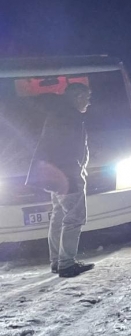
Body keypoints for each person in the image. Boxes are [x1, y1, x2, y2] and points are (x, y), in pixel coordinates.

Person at [27, 82, 95, 277]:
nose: (88, 103)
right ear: (77, 96)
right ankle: (66, 264)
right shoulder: (71, 116)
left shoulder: (57, 113)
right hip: (67, 176)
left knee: (58, 217)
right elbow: (71, 149)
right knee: (74, 218)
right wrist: (76, 171)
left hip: (54, 176)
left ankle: (57, 261)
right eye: (87, 97)